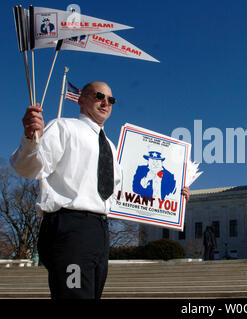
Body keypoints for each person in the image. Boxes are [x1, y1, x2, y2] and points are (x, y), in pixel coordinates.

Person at [10, 81, 190, 299]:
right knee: (74, 297)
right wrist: (31, 138)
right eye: (98, 96)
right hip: (70, 227)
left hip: (99, 231)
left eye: (110, 100)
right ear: (81, 99)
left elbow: (124, 196)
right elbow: (30, 168)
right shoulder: (63, 127)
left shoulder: (112, 148)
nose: (106, 102)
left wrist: (175, 197)